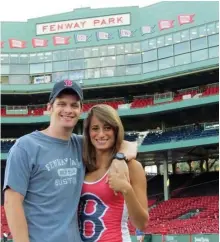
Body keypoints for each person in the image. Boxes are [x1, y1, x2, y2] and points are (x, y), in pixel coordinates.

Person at [3, 80, 137, 242]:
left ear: (81, 110)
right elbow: (12, 202)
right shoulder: (25, 146)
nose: (68, 110)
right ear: (49, 107)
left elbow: (126, 144)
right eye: (62, 104)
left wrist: (119, 159)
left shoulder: (82, 144)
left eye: (74, 105)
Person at [78, 104, 149, 242]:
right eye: (95, 128)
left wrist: (126, 189)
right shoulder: (82, 166)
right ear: (88, 133)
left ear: (116, 130)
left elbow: (142, 224)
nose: (101, 134)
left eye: (107, 128)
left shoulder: (132, 167)